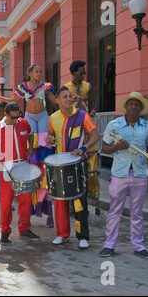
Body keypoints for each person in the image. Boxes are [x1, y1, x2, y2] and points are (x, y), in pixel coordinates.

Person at [0, 64, 56, 226]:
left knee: (44, 146)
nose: (40, 73)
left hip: (42, 116)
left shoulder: (45, 86)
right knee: (31, 142)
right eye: (36, 71)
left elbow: (54, 102)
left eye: (41, 71)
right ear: (30, 73)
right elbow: (14, 101)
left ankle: (42, 161)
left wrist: (71, 105)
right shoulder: (24, 87)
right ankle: (32, 157)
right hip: (29, 117)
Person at [99, 92, 148, 259]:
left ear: (140, 108)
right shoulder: (114, 125)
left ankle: (138, 245)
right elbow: (104, 148)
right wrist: (116, 148)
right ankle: (109, 244)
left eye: (137, 104)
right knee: (114, 210)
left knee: (137, 212)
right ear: (125, 106)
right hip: (119, 173)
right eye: (131, 103)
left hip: (140, 172)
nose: (133, 106)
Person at [45, 86, 99, 249]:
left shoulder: (82, 116)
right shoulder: (53, 117)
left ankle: (82, 235)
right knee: (60, 201)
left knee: (79, 201)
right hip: (59, 163)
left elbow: (96, 135)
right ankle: (62, 234)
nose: (69, 99)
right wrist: (49, 140)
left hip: (77, 163)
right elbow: (51, 136)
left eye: (70, 96)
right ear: (58, 100)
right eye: (65, 96)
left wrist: (83, 148)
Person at [0, 102, 40, 245]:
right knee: (6, 202)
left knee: (25, 201)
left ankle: (24, 228)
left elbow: (30, 134)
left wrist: (31, 147)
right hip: (7, 168)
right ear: (5, 115)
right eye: (13, 117)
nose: (15, 120)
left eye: (17, 116)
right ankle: (5, 231)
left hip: (23, 165)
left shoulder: (23, 123)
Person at [64, 60, 101, 215]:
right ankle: (73, 201)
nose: (83, 74)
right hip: (73, 124)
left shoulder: (87, 86)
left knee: (91, 159)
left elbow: (96, 97)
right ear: (73, 73)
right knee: (73, 162)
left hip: (86, 122)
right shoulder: (66, 87)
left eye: (84, 72)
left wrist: (93, 111)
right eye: (81, 72)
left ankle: (94, 198)